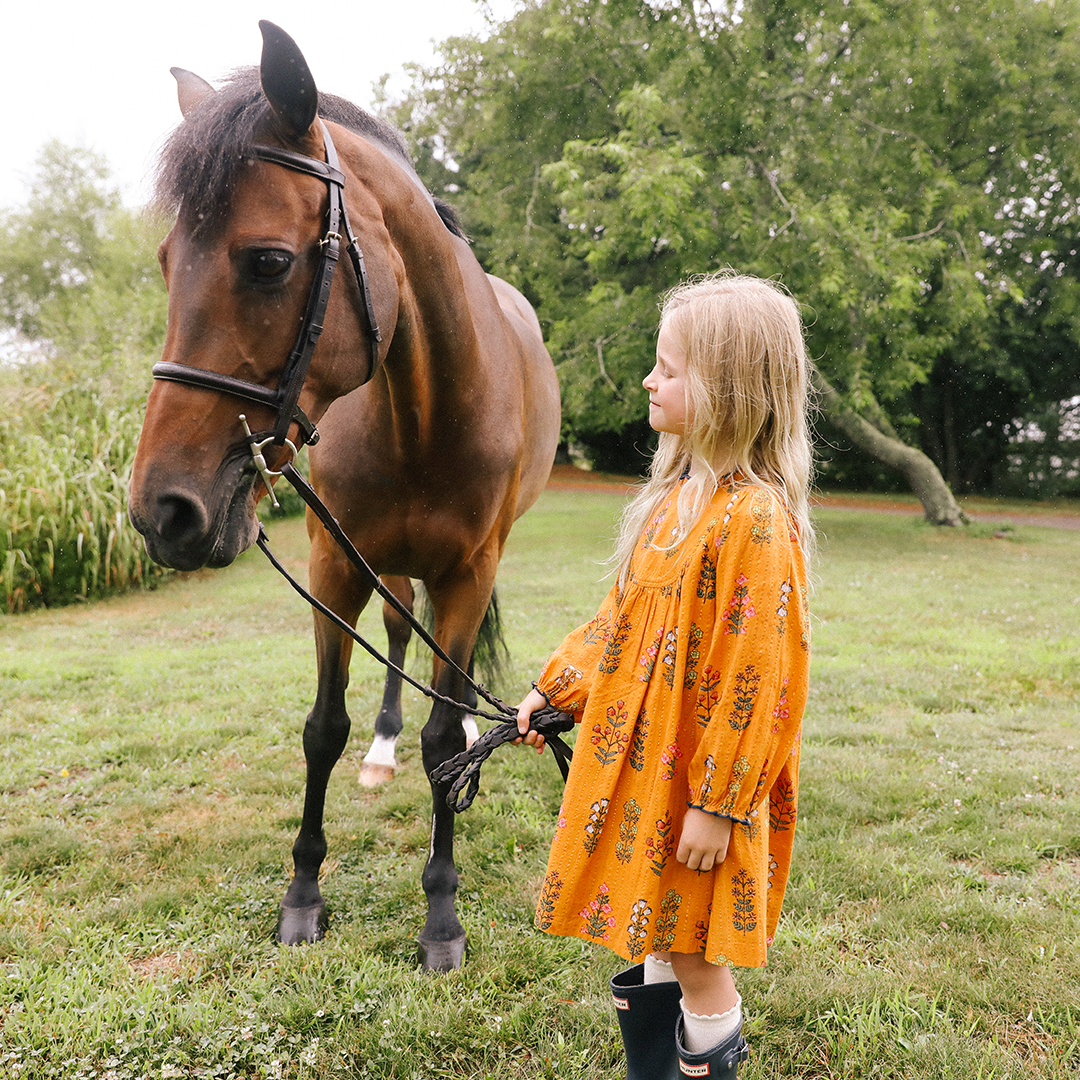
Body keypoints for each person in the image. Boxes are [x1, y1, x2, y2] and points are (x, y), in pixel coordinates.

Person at [515, 271, 813, 1079]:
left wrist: (719, 800)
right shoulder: (671, 501)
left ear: (727, 386)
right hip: (645, 772)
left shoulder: (753, 519)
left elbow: (761, 675)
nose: (650, 380)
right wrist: (558, 688)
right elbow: (621, 623)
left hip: (696, 787)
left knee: (694, 953)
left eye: (669, 368)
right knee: (654, 925)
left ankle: (709, 1061)